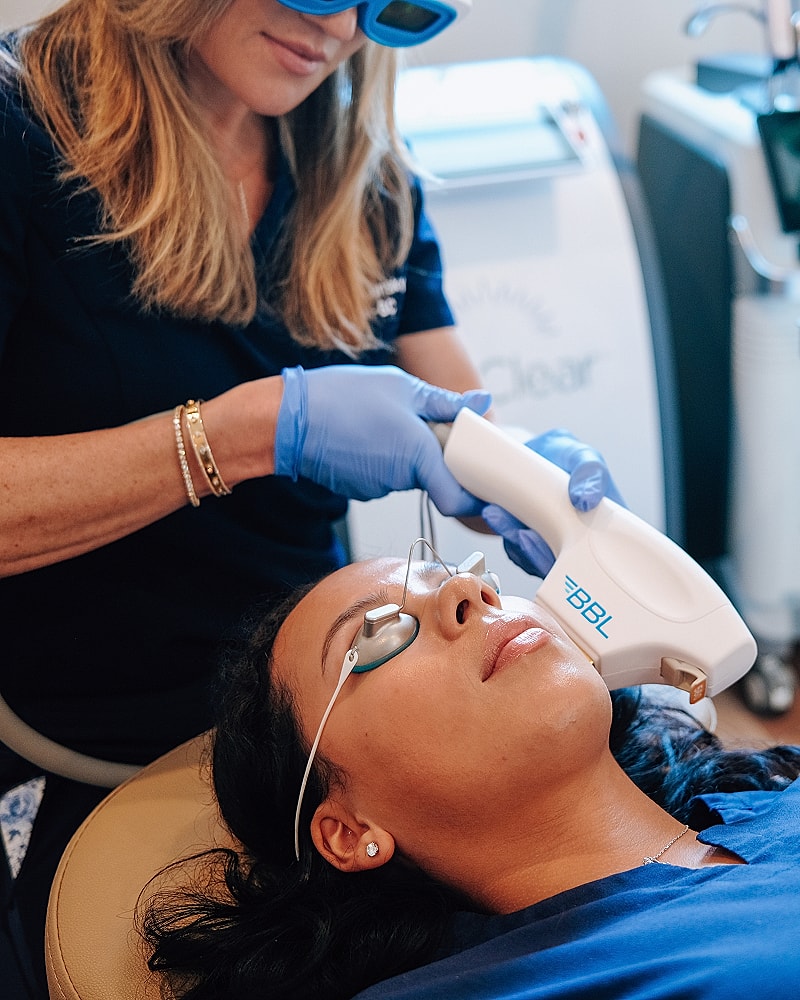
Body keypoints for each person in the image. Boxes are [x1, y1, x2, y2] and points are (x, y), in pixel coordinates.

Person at [0, 1, 618, 995]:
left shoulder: (363, 172)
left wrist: (533, 477)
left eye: (397, 5)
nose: (339, 28)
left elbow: (458, 426)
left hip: (320, 734)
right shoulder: (23, 131)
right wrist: (244, 435)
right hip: (72, 730)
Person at [140, 546, 800, 1000]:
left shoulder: (776, 802)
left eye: (461, 570)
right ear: (348, 831)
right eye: (378, 633)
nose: (470, 591)